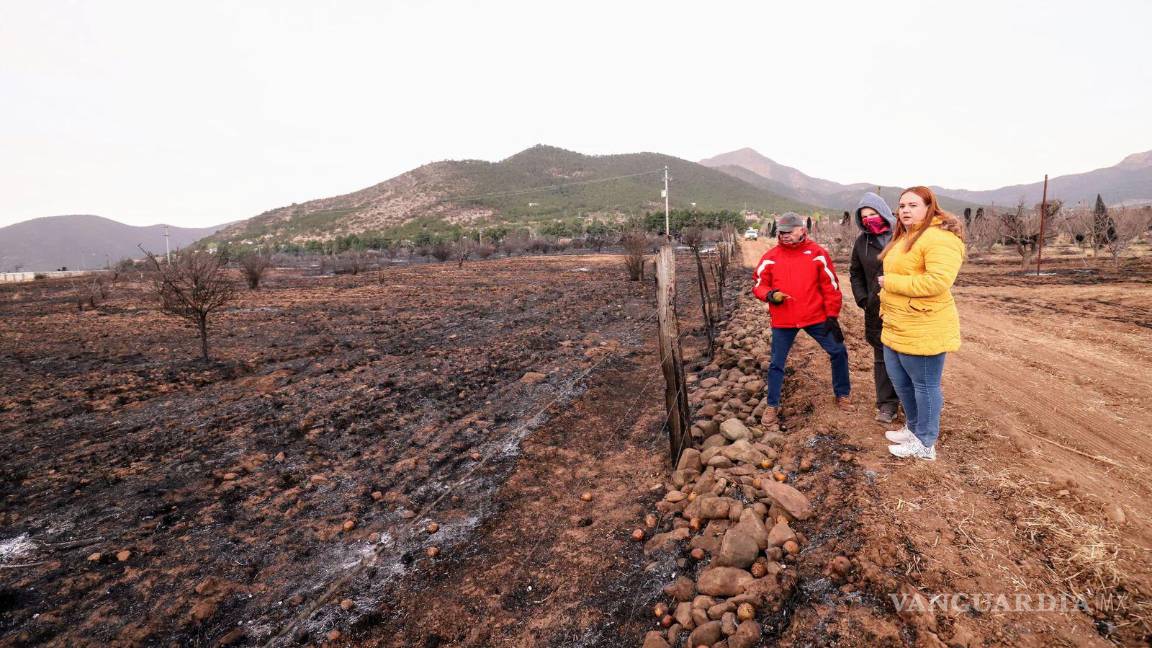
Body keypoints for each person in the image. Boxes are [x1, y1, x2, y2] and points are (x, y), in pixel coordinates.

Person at [877, 186, 966, 461]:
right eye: (902, 205)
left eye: (913, 205)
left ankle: (925, 443)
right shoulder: (906, 237)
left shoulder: (939, 238)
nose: (905, 210)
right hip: (897, 323)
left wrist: (891, 283)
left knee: (925, 386)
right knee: (902, 383)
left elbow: (938, 281)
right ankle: (914, 429)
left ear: (930, 208)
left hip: (924, 325)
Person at [752, 212, 851, 426]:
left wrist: (832, 315)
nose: (785, 235)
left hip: (815, 316)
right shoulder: (771, 257)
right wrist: (769, 295)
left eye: (789, 232)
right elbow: (759, 284)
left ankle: (842, 394)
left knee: (838, 351)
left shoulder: (817, 254)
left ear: (801, 231)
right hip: (784, 320)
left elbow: (831, 286)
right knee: (777, 363)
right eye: (781, 232)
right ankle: (772, 405)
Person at [849, 193, 901, 424]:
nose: (869, 219)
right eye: (865, 217)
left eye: (873, 214)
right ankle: (887, 404)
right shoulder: (862, 242)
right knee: (882, 357)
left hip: (904, 306)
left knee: (907, 357)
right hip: (876, 307)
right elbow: (855, 272)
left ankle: (910, 403)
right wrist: (863, 299)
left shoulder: (903, 235)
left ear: (883, 212)